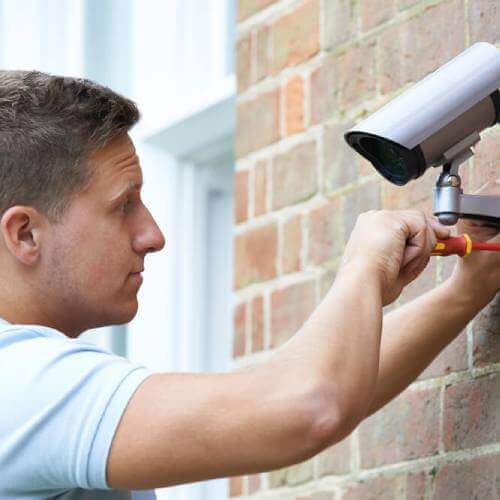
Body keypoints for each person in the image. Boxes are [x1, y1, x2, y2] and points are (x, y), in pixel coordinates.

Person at [0, 70, 498, 499]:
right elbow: (306, 407)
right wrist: (363, 263)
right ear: (25, 234)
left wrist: (464, 291)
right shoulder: (17, 381)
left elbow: (322, 388)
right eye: (123, 204)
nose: (152, 236)